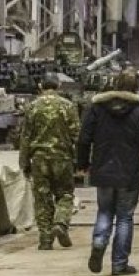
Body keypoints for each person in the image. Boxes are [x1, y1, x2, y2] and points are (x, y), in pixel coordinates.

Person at [76, 67, 139, 276]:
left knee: (104, 211)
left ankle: (99, 242)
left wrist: (82, 164)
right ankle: (119, 264)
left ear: (114, 83)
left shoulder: (97, 108)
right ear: (136, 86)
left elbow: (84, 138)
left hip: (102, 168)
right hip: (130, 170)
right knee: (124, 217)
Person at [18, 73, 81, 250]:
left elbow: (25, 137)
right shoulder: (68, 106)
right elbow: (76, 133)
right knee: (65, 194)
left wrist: (24, 162)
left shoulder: (32, 107)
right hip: (63, 158)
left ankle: (45, 240)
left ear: (40, 86)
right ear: (58, 86)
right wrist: (81, 160)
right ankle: (60, 223)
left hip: (39, 159)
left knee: (42, 198)